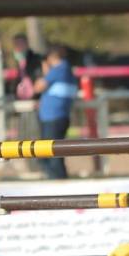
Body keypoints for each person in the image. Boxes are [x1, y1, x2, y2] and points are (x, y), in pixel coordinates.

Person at [34, 45, 77, 179]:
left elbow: (38, 87)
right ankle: (59, 180)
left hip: (53, 117)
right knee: (54, 153)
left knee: (48, 154)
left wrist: (45, 70)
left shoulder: (59, 69)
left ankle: (58, 182)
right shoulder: (66, 69)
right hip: (57, 117)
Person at [11, 33, 42, 100]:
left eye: (21, 43)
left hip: (35, 98)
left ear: (27, 44)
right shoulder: (17, 61)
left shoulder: (36, 59)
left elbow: (39, 78)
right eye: (16, 44)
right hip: (21, 99)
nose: (19, 47)